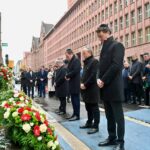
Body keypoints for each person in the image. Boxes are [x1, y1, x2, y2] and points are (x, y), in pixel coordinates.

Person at [96, 24, 125, 150]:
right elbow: (100, 67)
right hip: (105, 87)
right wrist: (98, 78)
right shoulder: (103, 47)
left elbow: (116, 65)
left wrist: (103, 79)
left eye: (101, 35)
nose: (99, 38)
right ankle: (111, 137)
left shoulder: (117, 45)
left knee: (118, 116)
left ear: (107, 32)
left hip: (113, 87)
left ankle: (120, 140)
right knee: (109, 116)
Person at [80, 46, 100, 134]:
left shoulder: (94, 61)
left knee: (94, 108)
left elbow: (93, 75)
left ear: (89, 53)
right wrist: (81, 83)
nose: (83, 55)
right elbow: (83, 75)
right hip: (85, 89)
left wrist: (85, 84)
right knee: (88, 107)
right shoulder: (86, 63)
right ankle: (89, 122)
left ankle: (95, 126)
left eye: (84, 53)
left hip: (92, 89)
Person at [65, 48, 81, 121]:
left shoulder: (76, 60)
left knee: (76, 100)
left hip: (75, 83)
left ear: (70, 53)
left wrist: (67, 75)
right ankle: (74, 114)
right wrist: (68, 75)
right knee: (73, 100)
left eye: (67, 55)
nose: (66, 57)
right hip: (72, 83)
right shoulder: (71, 61)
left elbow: (75, 70)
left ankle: (77, 115)